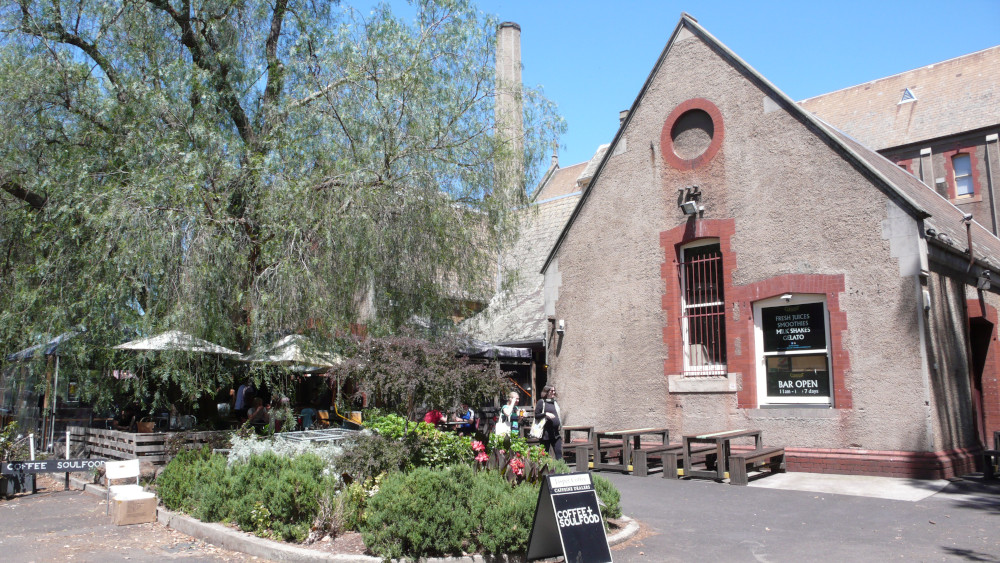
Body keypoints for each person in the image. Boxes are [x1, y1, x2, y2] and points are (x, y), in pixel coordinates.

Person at [534, 385, 562, 460]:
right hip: (545, 434)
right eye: (552, 391)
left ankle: (561, 470)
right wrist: (545, 414)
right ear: (546, 392)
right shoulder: (541, 402)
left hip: (555, 433)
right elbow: (536, 415)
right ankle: (545, 470)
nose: (554, 392)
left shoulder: (554, 402)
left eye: (554, 391)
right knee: (544, 454)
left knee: (559, 453)